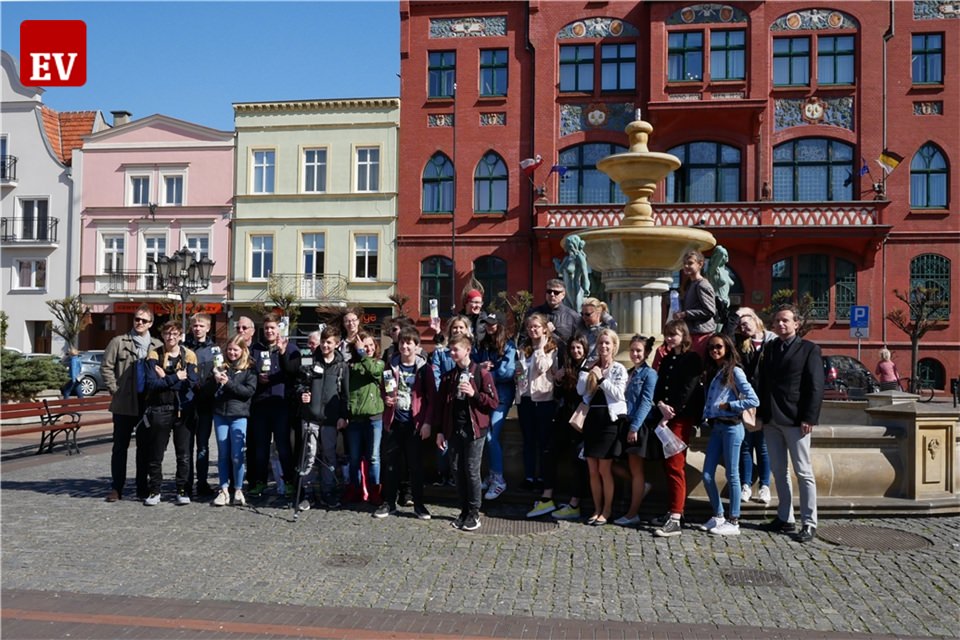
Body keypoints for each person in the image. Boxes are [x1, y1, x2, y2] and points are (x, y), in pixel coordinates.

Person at [758, 304, 824, 544]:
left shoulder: (809, 350)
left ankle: (809, 522)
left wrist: (809, 417)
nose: (781, 324)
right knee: (779, 471)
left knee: (803, 472)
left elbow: (815, 386)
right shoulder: (771, 347)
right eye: (777, 321)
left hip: (796, 419)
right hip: (771, 419)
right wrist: (761, 414)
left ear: (797, 324)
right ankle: (785, 517)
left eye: (785, 320)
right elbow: (763, 383)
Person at [434, 333, 498, 531]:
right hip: (454, 429)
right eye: (451, 350)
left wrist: (475, 394)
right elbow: (441, 407)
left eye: (456, 350)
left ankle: (474, 512)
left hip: (474, 429)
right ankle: (463, 510)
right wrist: (440, 431)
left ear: (467, 350)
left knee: (471, 470)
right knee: (456, 468)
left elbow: (493, 402)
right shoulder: (449, 376)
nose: (452, 353)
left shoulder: (480, 373)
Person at [698, 333, 759, 536]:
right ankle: (718, 515)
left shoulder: (735, 372)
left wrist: (731, 405)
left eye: (718, 347)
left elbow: (753, 399)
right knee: (707, 474)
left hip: (733, 427)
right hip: (716, 428)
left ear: (727, 348)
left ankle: (734, 520)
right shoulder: (714, 371)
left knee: (732, 474)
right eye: (711, 348)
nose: (714, 350)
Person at [102, 303, 161, 502]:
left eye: (144, 320)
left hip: (146, 404)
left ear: (151, 323)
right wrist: (115, 390)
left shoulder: (157, 346)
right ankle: (116, 487)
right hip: (124, 403)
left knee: (144, 448)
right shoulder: (118, 342)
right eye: (137, 319)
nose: (140, 323)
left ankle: (141, 487)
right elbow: (106, 368)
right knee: (120, 447)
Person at [651, 319, 704, 538]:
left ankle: (675, 517)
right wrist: (661, 405)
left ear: (684, 336)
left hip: (680, 418)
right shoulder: (667, 359)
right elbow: (659, 387)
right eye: (668, 334)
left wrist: (672, 411)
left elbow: (688, 389)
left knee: (675, 465)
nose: (670, 338)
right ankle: (674, 511)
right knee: (668, 466)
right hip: (666, 417)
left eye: (674, 334)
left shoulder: (691, 359)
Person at [378, 327, 434, 519]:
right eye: (402, 342)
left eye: (409, 343)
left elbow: (431, 399)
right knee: (391, 464)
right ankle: (388, 502)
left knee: (415, 466)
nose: (405, 346)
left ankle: (419, 505)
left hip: (415, 424)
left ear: (416, 346)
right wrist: (386, 398)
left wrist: (427, 423)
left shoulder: (424, 369)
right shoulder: (390, 366)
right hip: (394, 421)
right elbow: (384, 389)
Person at [142, 321, 200, 505]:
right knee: (156, 453)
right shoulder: (154, 354)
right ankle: (155, 490)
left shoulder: (189, 355)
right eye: (167, 333)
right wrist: (175, 377)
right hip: (160, 408)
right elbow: (151, 384)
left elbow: (191, 383)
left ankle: (182, 489)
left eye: (175, 333)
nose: (171, 337)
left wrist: (165, 378)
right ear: (162, 335)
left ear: (180, 335)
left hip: (183, 409)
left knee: (183, 454)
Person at [577, 329, 628, 526]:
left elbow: (618, 394)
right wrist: (585, 370)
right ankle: (596, 508)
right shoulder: (593, 367)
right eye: (601, 343)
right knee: (592, 470)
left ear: (614, 346)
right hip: (592, 421)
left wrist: (601, 379)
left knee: (605, 469)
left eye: (607, 343)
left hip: (609, 421)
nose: (604, 347)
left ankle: (607, 510)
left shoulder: (618, 369)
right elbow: (581, 391)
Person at [248, 312, 301, 498]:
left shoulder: (291, 348)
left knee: (283, 446)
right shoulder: (255, 348)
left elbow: (293, 372)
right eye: (267, 328)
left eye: (273, 328)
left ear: (280, 329)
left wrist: (283, 352)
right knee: (260, 447)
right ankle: (259, 482)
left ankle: (288, 482)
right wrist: (256, 377)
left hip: (281, 404)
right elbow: (247, 370)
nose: (270, 331)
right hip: (260, 403)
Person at [298, 325, 350, 510]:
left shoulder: (342, 366)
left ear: (336, 344)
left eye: (329, 342)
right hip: (310, 416)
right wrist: (302, 393)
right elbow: (300, 383)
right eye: (323, 341)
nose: (325, 345)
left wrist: (343, 415)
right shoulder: (310, 361)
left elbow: (345, 394)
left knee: (329, 456)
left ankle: (328, 491)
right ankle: (308, 492)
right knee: (309, 455)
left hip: (330, 418)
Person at [517, 313, 561, 518]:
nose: (532, 330)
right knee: (528, 440)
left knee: (544, 442)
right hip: (525, 398)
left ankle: (543, 477)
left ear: (544, 328)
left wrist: (542, 345)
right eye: (530, 327)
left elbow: (543, 367)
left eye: (536, 327)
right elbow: (519, 371)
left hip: (543, 399)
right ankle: (528, 476)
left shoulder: (551, 349)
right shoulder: (523, 348)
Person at [209, 335, 257, 507]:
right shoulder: (220, 366)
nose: (232, 352)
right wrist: (215, 380)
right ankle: (223, 489)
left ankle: (238, 488)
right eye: (229, 349)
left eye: (235, 349)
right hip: (220, 414)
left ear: (243, 350)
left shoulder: (249, 369)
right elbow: (211, 390)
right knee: (223, 453)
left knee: (237, 455)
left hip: (239, 415)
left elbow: (247, 392)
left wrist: (228, 383)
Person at [473, 312, 516, 501]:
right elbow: (475, 364)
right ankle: (491, 474)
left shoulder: (508, 345)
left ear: (500, 325)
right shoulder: (484, 344)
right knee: (485, 435)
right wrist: (481, 367)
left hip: (502, 397)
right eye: (487, 324)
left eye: (492, 325)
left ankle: (499, 479)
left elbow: (508, 372)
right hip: (488, 395)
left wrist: (488, 373)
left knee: (491, 435)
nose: (489, 327)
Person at [735, 308, 776, 505]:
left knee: (763, 447)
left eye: (746, 322)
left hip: (765, 402)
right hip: (747, 402)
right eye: (741, 325)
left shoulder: (772, 342)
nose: (744, 327)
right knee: (745, 446)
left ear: (755, 319)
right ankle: (745, 485)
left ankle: (765, 486)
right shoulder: (742, 345)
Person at [615, 335, 657, 526]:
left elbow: (646, 402)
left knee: (636, 469)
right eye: (632, 350)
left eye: (639, 350)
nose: (635, 354)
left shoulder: (649, 374)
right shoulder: (629, 372)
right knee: (611, 463)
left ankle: (633, 513)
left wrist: (634, 427)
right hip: (625, 422)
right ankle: (642, 488)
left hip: (638, 426)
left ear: (647, 352)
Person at [550, 335, 591, 521]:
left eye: (578, 348)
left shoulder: (588, 367)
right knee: (553, 453)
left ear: (584, 349)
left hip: (580, 421)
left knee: (578, 462)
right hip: (564, 419)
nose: (575, 351)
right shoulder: (566, 367)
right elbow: (558, 394)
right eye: (573, 348)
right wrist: (558, 380)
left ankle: (575, 503)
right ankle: (549, 496)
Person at [346, 331, 385, 504]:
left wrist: (363, 354)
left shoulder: (379, 363)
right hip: (355, 418)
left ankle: (375, 490)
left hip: (374, 417)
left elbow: (375, 372)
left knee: (374, 457)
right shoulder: (350, 365)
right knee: (354, 458)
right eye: (364, 346)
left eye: (370, 345)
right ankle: (355, 489)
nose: (367, 348)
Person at [185, 313, 217, 497]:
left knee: (203, 446)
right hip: (188, 403)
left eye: (201, 325)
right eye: (195, 325)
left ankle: (202, 482)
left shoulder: (214, 350)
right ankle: (186, 483)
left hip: (205, 404)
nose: (197, 328)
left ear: (208, 328)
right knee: (186, 446)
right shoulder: (184, 348)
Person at [673, 250, 716, 358]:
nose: (686, 266)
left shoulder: (702, 285)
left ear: (700, 264)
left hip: (701, 335)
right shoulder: (692, 284)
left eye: (690, 263)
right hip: (693, 333)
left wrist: (685, 314)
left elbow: (710, 311)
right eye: (684, 264)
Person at [524, 279, 580, 350]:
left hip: (562, 357)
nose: (552, 295)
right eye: (549, 291)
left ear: (563, 295)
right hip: (536, 356)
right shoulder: (532, 313)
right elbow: (523, 337)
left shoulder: (573, 316)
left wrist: (551, 333)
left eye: (556, 292)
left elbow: (578, 342)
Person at [553, 234, 590, 313]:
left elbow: (585, 273)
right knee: (567, 310)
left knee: (577, 310)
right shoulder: (567, 258)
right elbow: (560, 270)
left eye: (569, 243)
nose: (567, 246)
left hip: (575, 287)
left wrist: (586, 287)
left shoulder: (579, 257)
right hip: (566, 288)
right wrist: (556, 263)